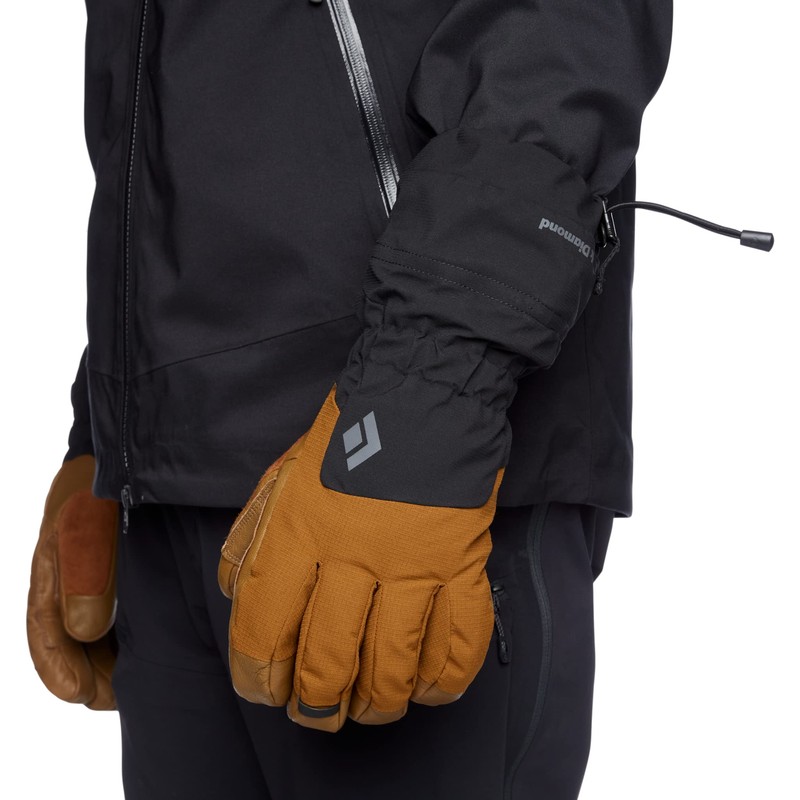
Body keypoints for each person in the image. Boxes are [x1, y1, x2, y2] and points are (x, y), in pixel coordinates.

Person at [26, 0, 673, 797]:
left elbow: (567, 28)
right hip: (169, 494)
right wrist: (105, 428)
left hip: (404, 471)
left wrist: (425, 394)